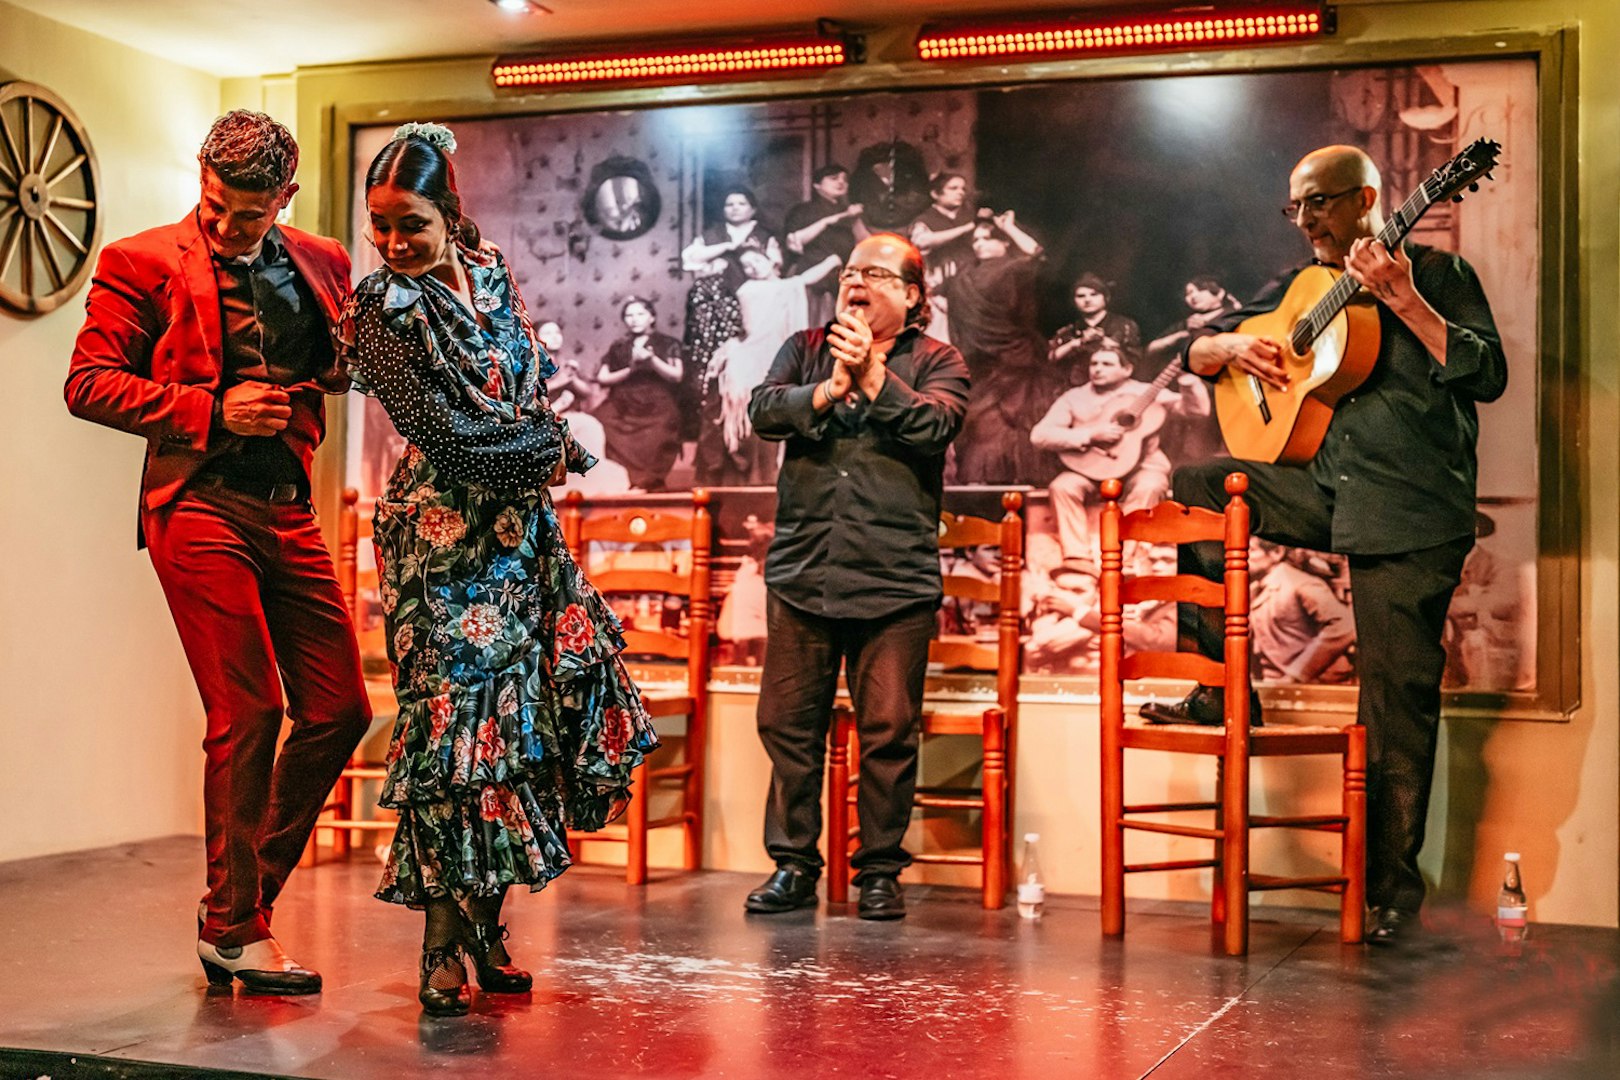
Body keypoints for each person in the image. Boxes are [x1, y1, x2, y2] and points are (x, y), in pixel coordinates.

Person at [1141, 145, 1508, 947]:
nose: (1306, 220)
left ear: (1369, 199)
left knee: (1394, 706)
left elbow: (1488, 375)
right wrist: (1228, 351)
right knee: (1200, 483)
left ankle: (1392, 896)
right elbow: (1196, 350)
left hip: (1410, 510)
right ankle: (1220, 688)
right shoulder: (1306, 286)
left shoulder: (1439, 275)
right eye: (1297, 207)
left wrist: (1405, 299)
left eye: (1321, 203)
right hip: (1332, 491)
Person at [339, 122, 659, 1015]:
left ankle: (487, 929)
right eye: (380, 225)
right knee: (454, 739)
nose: (394, 243)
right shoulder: (379, 310)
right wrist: (551, 450)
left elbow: (520, 399)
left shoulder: (488, 273)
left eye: (411, 224)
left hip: (518, 539)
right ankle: (439, 948)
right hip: (439, 543)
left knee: (521, 736)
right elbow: (447, 436)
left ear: (449, 214)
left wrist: (546, 448)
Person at [64, 110, 370, 995]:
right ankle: (237, 926)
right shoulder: (141, 260)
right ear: (202, 179)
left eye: (249, 213)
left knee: (342, 707)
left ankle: (240, 904)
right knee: (249, 709)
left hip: (290, 508)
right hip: (197, 505)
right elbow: (88, 383)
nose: (229, 227)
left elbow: (333, 363)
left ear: (287, 194)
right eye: (216, 207)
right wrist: (211, 411)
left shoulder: (322, 262)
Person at [744, 233, 970, 921]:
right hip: (803, 570)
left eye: (874, 273)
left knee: (888, 730)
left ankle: (879, 873)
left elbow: (935, 428)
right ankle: (792, 866)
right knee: (787, 726)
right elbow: (762, 410)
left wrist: (872, 378)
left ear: (912, 296)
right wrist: (827, 391)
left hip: (894, 582)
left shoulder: (939, 360)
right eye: (848, 272)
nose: (855, 282)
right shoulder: (805, 348)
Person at [1030, 346, 1210, 573]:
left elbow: (1197, 412)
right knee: (1063, 486)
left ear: (1127, 369)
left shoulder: (1148, 393)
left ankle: (1128, 558)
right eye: (1094, 364)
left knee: (1151, 484)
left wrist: (1188, 381)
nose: (1097, 369)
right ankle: (1078, 559)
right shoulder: (1074, 397)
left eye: (1107, 364)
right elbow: (1039, 435)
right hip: (1090, 468)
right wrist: (1090, 435)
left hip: (1141, 468)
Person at [699, 249, 842, 487]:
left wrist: (832, 260)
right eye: (746, 266)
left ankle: (769, 473)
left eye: (756, 260)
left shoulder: (785, 287)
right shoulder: (749, 289)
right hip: (752, 351)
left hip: (775, 350)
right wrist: (832, 259)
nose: (752, 267)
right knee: (742, 407)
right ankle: (745, 471)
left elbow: (804, 280)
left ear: (770, 260)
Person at [940, 212, 1059, 483]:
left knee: (1011, 428)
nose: (978, 244)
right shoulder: (967, 276)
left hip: (1009, 364)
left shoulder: (1006, 269)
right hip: (984, 364)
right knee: (984, 429)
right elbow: (1036, 255)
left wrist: (1008, 227)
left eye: (987, 238)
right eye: (975, 240)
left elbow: (1036, 256)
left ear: (1005, 243)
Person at [680, 187, 776, 448]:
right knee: (713, 379)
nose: (734, 208)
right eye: (729, 204)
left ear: (752, 208)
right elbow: (689, 259)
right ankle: (717, 445)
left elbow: (773, 267)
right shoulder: (713, 235)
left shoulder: (764, 236)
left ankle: (748, 441)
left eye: (741, 203)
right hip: (716, 311)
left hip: (752, 306)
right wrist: (726, 247)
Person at [593, 297, 684, 490]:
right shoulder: (619, 345)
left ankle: (648, 482)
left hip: (657, 401)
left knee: (662, 428)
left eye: (640, 314)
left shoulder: (667, 342)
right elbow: (603, 378)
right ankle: (626, 482)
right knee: (600, 420)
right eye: (629, 315)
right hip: (623, 401)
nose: (634, 319)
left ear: (651, 317)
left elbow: (677, 376)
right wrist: (631, 369)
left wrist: (652, 360)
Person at [1248, 538, 1356, 684]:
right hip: (1273, 684)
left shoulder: (1300, 584)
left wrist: (1297, 673)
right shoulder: (1255, 589)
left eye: (1252, 550)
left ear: (1276, 553)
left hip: (1317, 686)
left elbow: (1346, 625)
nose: (1245, 556)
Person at [783, 164, 866, 327]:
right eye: (834, 178)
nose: (841, 182)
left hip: (841, 280)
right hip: (813, 279)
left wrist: (855, 219)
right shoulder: (802, 210)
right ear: (817, 185)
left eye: (845, 180)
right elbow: (794, 243)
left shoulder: (849, 212)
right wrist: (827, 221)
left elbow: (867, 245)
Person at [909, 173, 978, 341]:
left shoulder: (970, 215)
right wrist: (964, 229)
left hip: (969, 280)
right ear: (935, 194)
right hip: (940, 283)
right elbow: (921, 242)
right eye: (953, 188)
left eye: (963, 189)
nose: (960, 192)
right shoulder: (925, 219)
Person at [1048, 272, 1142, 386]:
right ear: (1074, 301)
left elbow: (1136, 360)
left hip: (1117, 387)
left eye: (1094, 294)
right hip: (1075, 389)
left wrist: (1106, 343)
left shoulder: (1125, 326)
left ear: (1106, 297)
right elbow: (1050, 359)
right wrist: (1077, 343)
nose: (1087, 300)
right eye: (1081, 296)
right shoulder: (1068, 330)